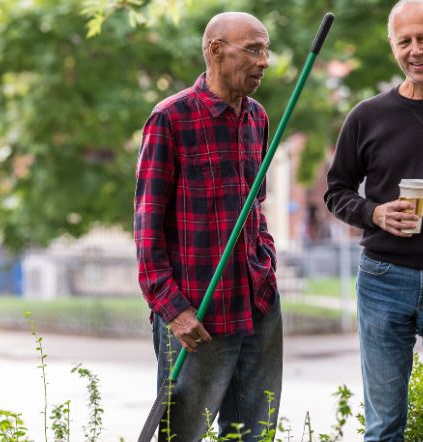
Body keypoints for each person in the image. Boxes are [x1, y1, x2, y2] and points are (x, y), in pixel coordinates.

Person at [324, 1, 423, 440]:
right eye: (404, 40)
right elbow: (336, 191)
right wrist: (374, 212)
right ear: (392, 44)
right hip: (383, 278)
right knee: (384, 423)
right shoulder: (367, 116)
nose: (415, 50)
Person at [134, 11, 281, 440]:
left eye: (266, 50)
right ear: (215, 51)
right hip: (196, 314)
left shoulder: (257, 117)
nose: (264, 61)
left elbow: (258, 206)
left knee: (255, 431)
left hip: (257, 303)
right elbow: (147, 227)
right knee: (183, 433)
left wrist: (266, 262)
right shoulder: (171, 118)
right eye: (253, 49)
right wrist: (172, 308)